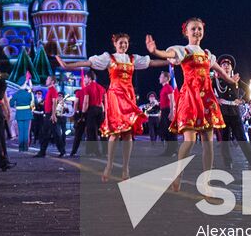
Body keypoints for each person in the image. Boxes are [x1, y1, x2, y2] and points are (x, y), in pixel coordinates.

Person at [58, 35, 164, 180]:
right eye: (121, 43)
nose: (123, 45)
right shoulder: (109, 58)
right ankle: (109, 165)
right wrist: (68, 66)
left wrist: (169, 61)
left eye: (126, 43)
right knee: (115, 133)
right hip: (115, 96)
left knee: (127, 134)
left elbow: (151, 62)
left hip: (128, 96)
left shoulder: (133, 59)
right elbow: (88, 62)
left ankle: (125, 168)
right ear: (115, 43)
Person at [146, 18, 231, 190]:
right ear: (186, 32)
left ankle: (206, 183)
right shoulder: (182, 50)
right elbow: (168, 55)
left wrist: (232, 80)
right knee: (190, 141)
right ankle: (178, 173)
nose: (197, 32)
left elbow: (220, 72)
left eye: (199, 29)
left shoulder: (208, 54)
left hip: (207, 98)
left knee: (208, 142)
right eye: (193, 29)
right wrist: (155, 51)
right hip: (190, 98)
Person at [212, 54, 251, 167]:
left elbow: (248, 90)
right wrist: (216, 99)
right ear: (220, 67)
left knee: (241, 137)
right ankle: (227, 162)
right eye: (224, 65)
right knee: (224, 139)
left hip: (235, 112)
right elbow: (207, 91)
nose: (226, 67)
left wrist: (243, 100)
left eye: (228, 65)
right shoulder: (216, 80)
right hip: (222, 112)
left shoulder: (237, 80)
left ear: (232, 67)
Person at [69, 73, 106, 157]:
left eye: (85, 78)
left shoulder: (84, 90)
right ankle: (103, 151)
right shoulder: (101, 88)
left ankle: (74, 151)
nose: (84, 80)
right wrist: (104, 113)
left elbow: (79, 103)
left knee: (82, 133)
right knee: (98, 132)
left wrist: (80, 114)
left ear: (89, 78)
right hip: (99, 111)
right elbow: (103, 103)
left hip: (88, 112)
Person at [35, 77, 66, 158]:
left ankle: (62, 151)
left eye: (47, 79)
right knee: (45, 134)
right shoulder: (50, 90)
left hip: (50, 115)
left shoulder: (53, 90)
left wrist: (53, 115)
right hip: (48, 115)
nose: (46, 80)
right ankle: (42, 152)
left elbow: (54, 102)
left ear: (52, 81)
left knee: (55, 134)